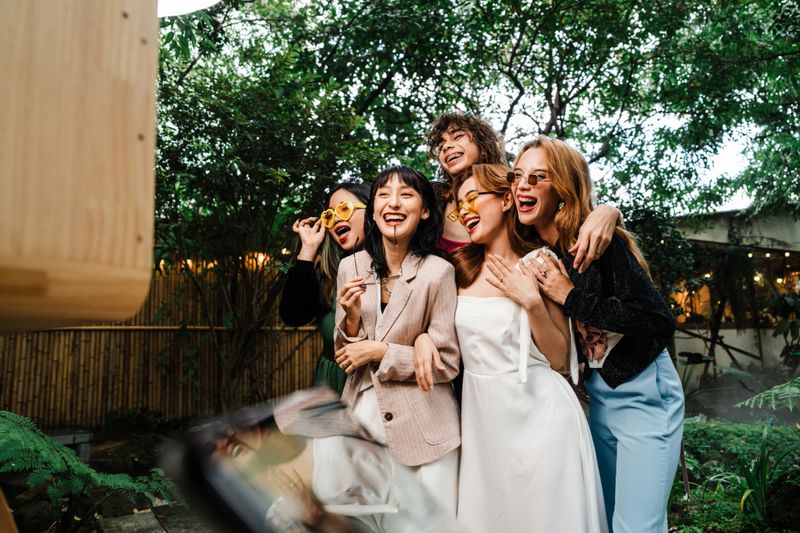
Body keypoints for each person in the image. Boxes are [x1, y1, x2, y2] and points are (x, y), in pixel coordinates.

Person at [511, 135, 684, 533]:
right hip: (598, 400)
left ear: (563, 190)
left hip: (643, 391)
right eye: (519, 177)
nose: (523, 186)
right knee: (601, 520)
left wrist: (570, 297)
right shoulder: (539, 250)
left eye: (538, 178)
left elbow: (657, 319)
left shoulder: (599, 243)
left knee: (636, 527)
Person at [449, 163, 607, 532]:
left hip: (543, 418)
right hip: (482, 423)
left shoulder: (541, 262)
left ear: (506, 199)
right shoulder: (456, 269)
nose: (465, 210)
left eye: (473, 197)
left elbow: (559, 358)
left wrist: (532, 302)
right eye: (459, 206)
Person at [333, 166, 461, 516]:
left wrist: (381, 350)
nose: (394, 202)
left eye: (406, 194)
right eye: (384, 195)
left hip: (428, 427)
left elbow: (447, 361)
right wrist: (353, 317)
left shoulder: (439, 271)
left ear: (424, 211)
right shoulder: (351, 267)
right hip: (363, 421)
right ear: (373, 210)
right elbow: (345, 356)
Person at [426, 112, 621, 271]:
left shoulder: (517, 185)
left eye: (457, 137)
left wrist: (608, 212)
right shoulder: (431, 195)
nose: (447, 146)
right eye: (441, 145)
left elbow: (565, 211)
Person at [279, 182, 370, 395]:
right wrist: (308, 251)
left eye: (344, 209)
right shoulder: (328, 274)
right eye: (329, 215)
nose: (337, 218)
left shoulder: (396, 267)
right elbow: (293, 316)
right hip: (333, 385)